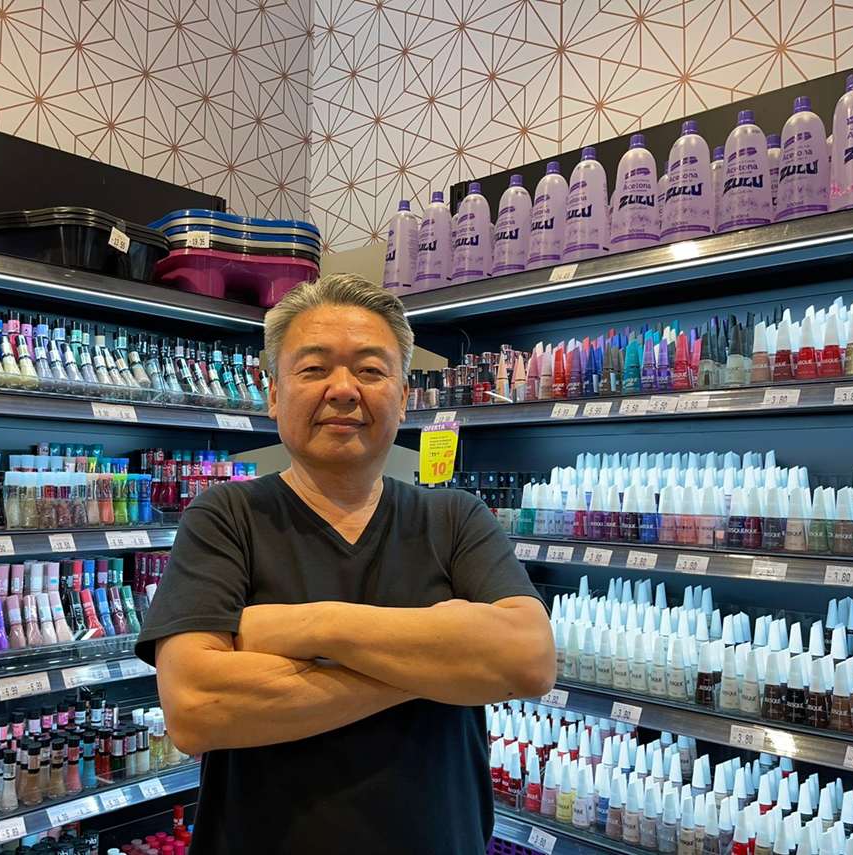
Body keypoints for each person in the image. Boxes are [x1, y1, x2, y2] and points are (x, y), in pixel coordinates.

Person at [135, 273, 555, 854]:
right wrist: (442, 664)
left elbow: (529, 659)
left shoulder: (455, 518)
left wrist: (312, 626)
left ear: (402, 396)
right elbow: (198, 709)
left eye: (371, 370)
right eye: (313, 369)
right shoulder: (227, 517)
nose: (343, 390)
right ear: (274, 393)